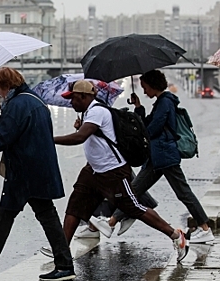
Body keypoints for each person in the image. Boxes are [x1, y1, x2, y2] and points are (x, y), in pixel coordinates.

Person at [51, 80, 189, 263]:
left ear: (85, 96)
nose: (71, 102)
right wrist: (81, 125)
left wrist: (49, 139)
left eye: (73, 98)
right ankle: (62, 254)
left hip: (113, 171)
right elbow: (90, 135)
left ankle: (176, 236)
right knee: (75, 208)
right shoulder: (89, 112)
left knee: (135, 208)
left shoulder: (98, 111)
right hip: (93, 171)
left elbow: (80, 137)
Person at [0, 67, 75, 281]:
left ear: (5, 86)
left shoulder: (17, 105)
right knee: (27, 214)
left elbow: (5, 137)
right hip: (36, 167)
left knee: (16, 215)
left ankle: (64, 265)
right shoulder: (34, 100)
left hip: (24, 170)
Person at [91, 70, 214, 243]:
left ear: (152, 85)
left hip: (164, 155)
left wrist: (140, 136)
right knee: (133, 191)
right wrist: (139, 108)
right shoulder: (160, 102)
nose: (144, 91)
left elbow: (153, 128)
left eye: (145, 87)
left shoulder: (166, 102)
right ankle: (111, 222)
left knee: (183, 193)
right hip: (157, 157)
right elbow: (148, 123)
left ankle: (205, 229)